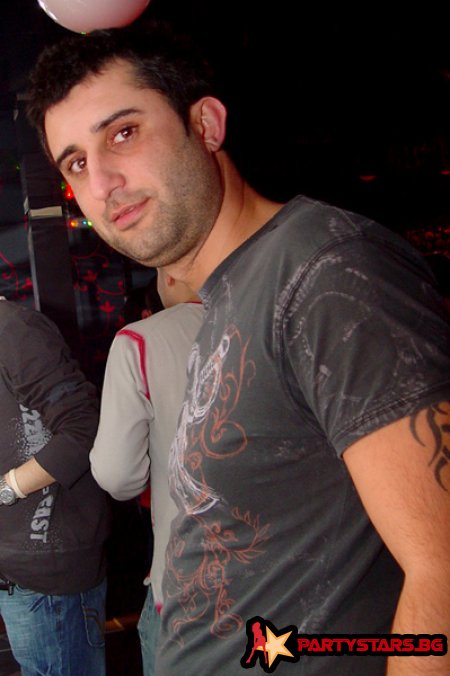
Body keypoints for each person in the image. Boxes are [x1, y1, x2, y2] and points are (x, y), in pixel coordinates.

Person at [27, 23, 450, 675]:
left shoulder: (324, 273)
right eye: (76, 163)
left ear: (206, 125)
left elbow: (440, 569)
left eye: (124, 133)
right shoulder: (233, 291)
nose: (103, 182)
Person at [90, 268, 204, 675]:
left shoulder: (140, 341)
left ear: (170, 273)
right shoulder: (288, 316)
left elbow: (118, 475)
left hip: (190, 590)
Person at [0, 296, 111, 675]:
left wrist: (7, 487)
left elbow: (84, 428)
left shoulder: (11, 328)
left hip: (48, 572)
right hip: (19, 569)